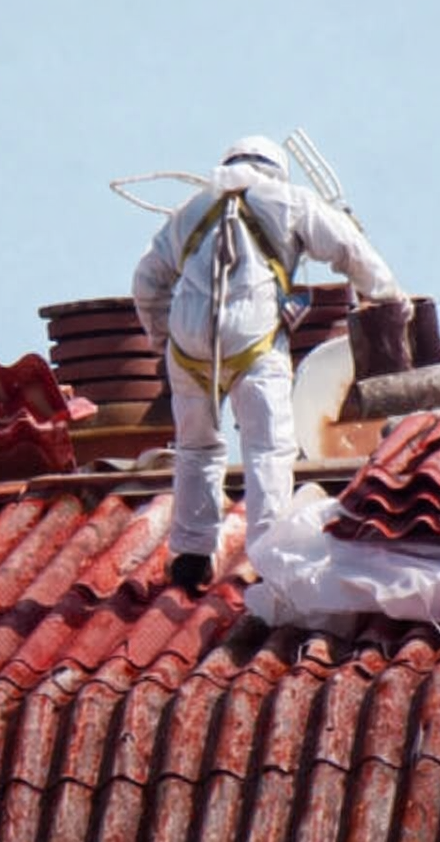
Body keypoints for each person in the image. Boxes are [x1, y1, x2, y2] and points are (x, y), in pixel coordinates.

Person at [132, 135, 407, 595]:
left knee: (196, 447)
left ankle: (191, 557)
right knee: (268, 449)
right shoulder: (291, 201)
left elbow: (146, 281)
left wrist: (163, 339)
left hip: (188, 348)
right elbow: (350, 249)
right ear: (276, 170)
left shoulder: (190, 210)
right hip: (253, 345)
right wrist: (389, 299)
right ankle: (268, 555)